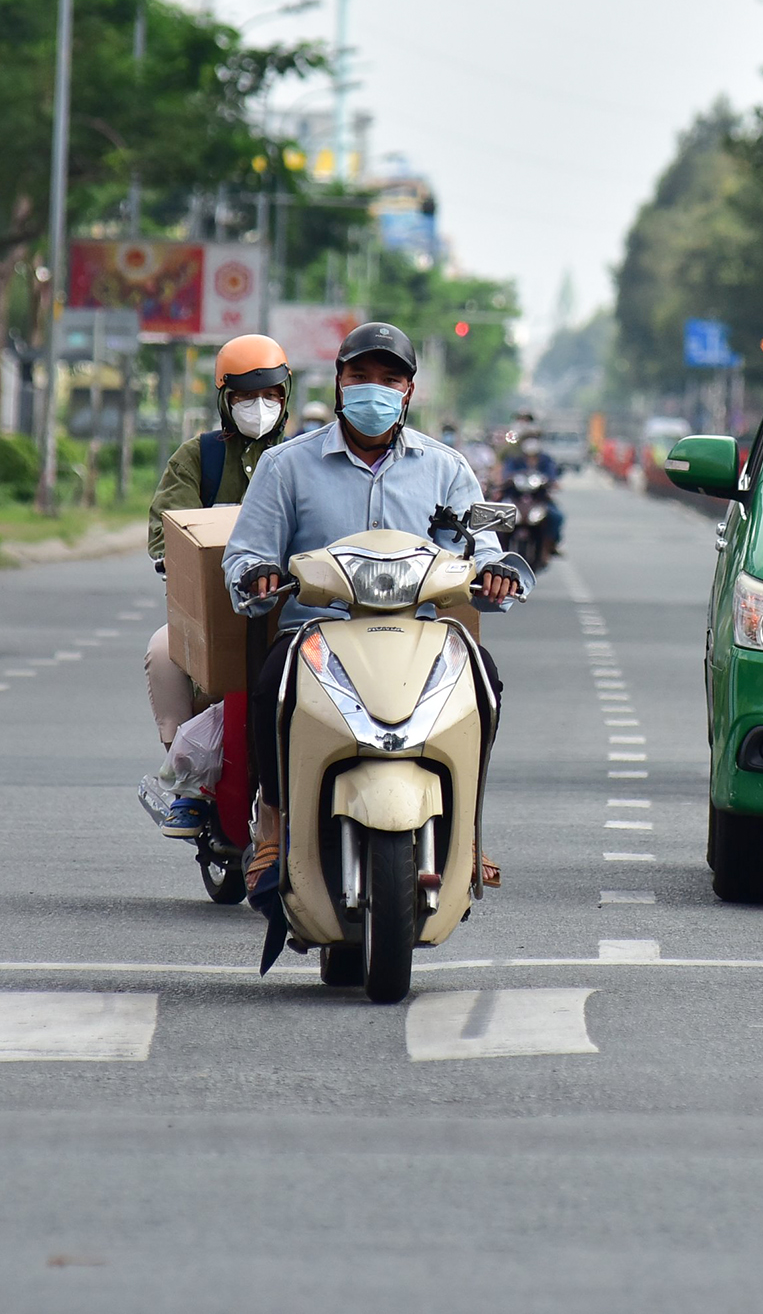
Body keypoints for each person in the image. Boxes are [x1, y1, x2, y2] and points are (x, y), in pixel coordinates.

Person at [222, 322, 534, 941]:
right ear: (338, 383)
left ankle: (468, 832)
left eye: (388, 380)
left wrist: (496, 573)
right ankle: (275, 826)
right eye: (360, 377)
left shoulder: (446, 470)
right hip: (318, 632)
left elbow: (485, 547)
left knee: (486, 682)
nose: (373, 391)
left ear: (409, 390)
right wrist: (256, 573)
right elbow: (244, 553)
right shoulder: (287, 467)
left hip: (420, 633)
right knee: (269, 688)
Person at [143, 334, 294, 837]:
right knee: (164, 651)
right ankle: (189, 783)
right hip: (217, 612)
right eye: (245, 396)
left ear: (286, 394)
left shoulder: (305, 456)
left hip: (294, 611)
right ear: (224, 399)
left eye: (271, 394)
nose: (259, 406)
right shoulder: (200, 457)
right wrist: (174, 557)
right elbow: (169, 525)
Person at [499, 426, 566, 550]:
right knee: (496, 517)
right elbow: (505, 475)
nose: (531, 443)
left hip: (539, 499)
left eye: (534, 439)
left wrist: (551, 482)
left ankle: (550, 545)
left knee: (556, 516)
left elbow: (552, 476)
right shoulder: (514, 459)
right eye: (528, 439)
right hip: (515, 498)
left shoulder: (545, 460)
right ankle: (496, 548)